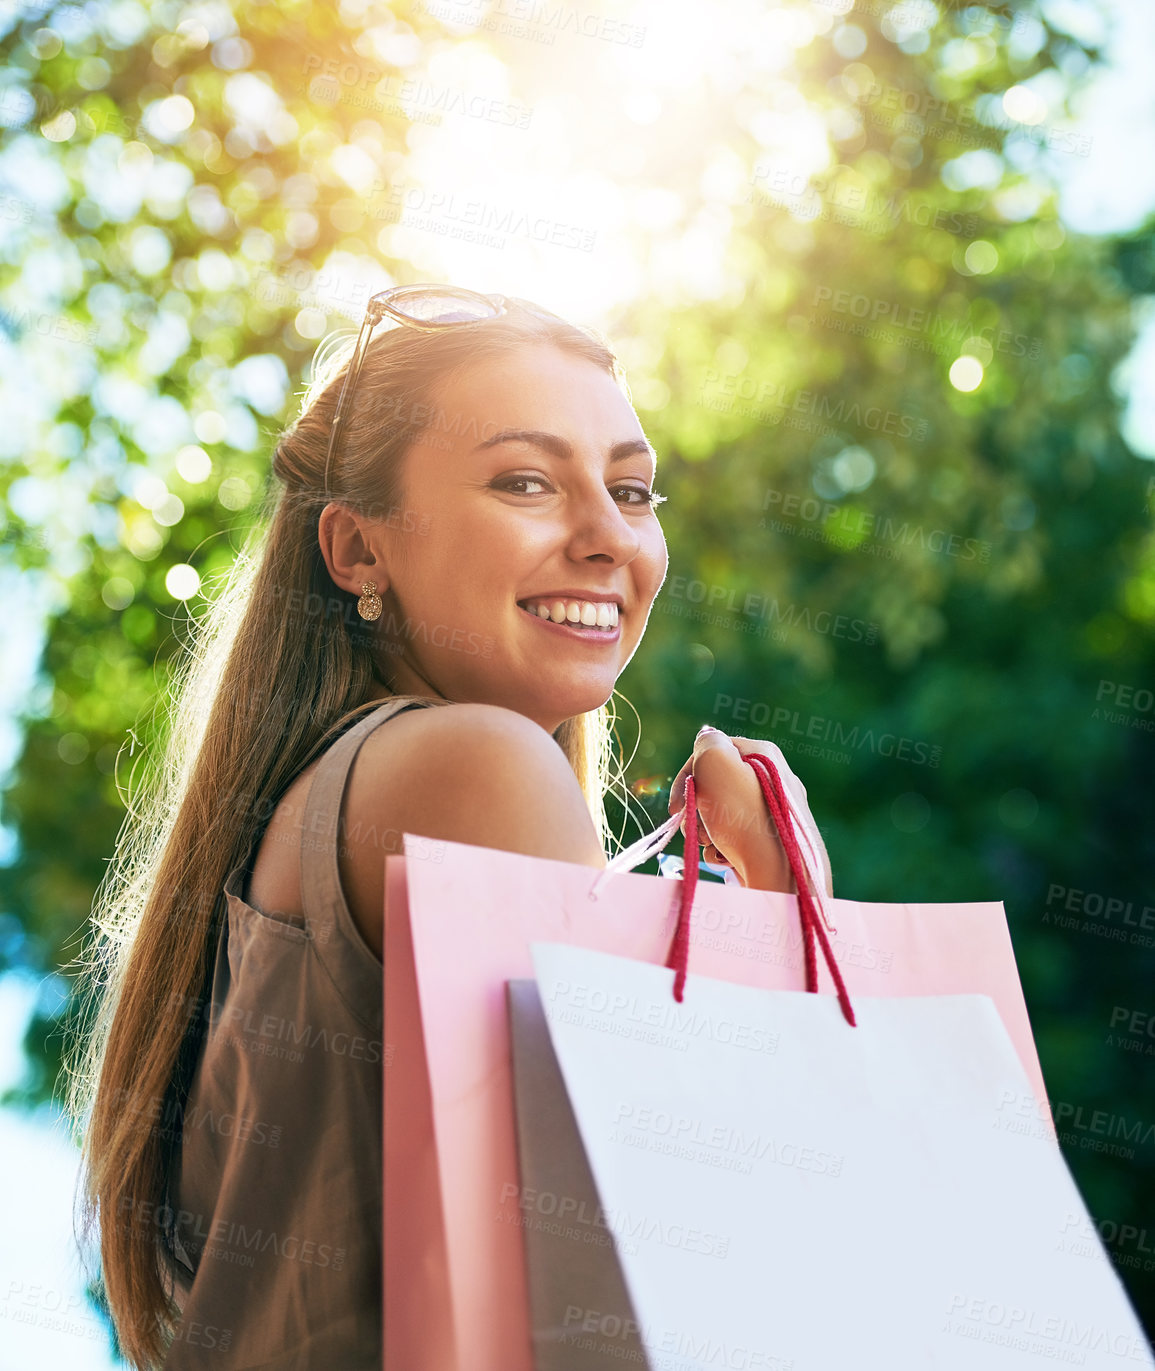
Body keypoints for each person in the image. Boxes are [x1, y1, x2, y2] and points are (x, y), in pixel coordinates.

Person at [72, 286, 833, 1369]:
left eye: (632, 489)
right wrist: (786, 928)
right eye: (525, 480)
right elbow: (642, 1292)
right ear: (356, 551)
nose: (608, 537)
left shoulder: (303, 812)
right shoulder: (474, 768)